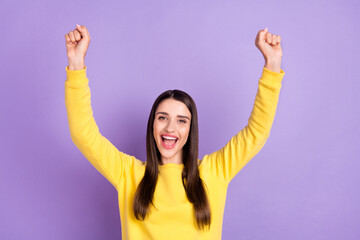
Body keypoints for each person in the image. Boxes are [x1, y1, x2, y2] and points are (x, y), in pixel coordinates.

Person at [64, 24, 285, 240]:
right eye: (162, 118)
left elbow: (257, 131)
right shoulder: (128, 174)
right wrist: (76, 63)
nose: (170, 128)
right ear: (152, 125)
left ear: (190, 129)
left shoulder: (215, 171)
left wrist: (272, 66)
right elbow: (83, 133)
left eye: (181, 120)